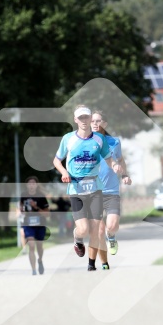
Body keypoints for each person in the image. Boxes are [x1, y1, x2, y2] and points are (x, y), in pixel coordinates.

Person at [53, 105, 121, 270]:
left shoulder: (99, 139)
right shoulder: (68, 139)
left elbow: (108, 158)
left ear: (90, 119)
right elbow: (56, 160)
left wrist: (115, 166)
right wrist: (63, 172)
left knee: (96, 229)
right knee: (82, 229)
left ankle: (91, 265)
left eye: (86, 117)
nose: (84, 120)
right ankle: (77, 240)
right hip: (76, 190)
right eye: (80, 118)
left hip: (96, 189)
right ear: (76, 120)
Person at [90, 110, 132, 270]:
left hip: (112, 191)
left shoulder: (114, 142)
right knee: (98, 232)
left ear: (105, 124)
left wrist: (125, 175)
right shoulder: (85, 142)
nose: (94, 123)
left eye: (98, 121)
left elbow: (120, 160)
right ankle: (104, 263)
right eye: (92, 121)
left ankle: (112, 237)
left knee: (112, 226)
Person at [18, 176, 49, 275]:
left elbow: (47, 214)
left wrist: (36, 207)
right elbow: (20, 208)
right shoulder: (23, 195)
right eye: (29, 183)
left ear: (36, 185)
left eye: (33, 183)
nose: (31, 185)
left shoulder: (41, 196)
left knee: (39, 246)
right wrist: (20, 211)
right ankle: (34, 269)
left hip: (40, 224)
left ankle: (40, 260)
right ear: (27, 185)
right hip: (28, 224)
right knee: (31, 245)